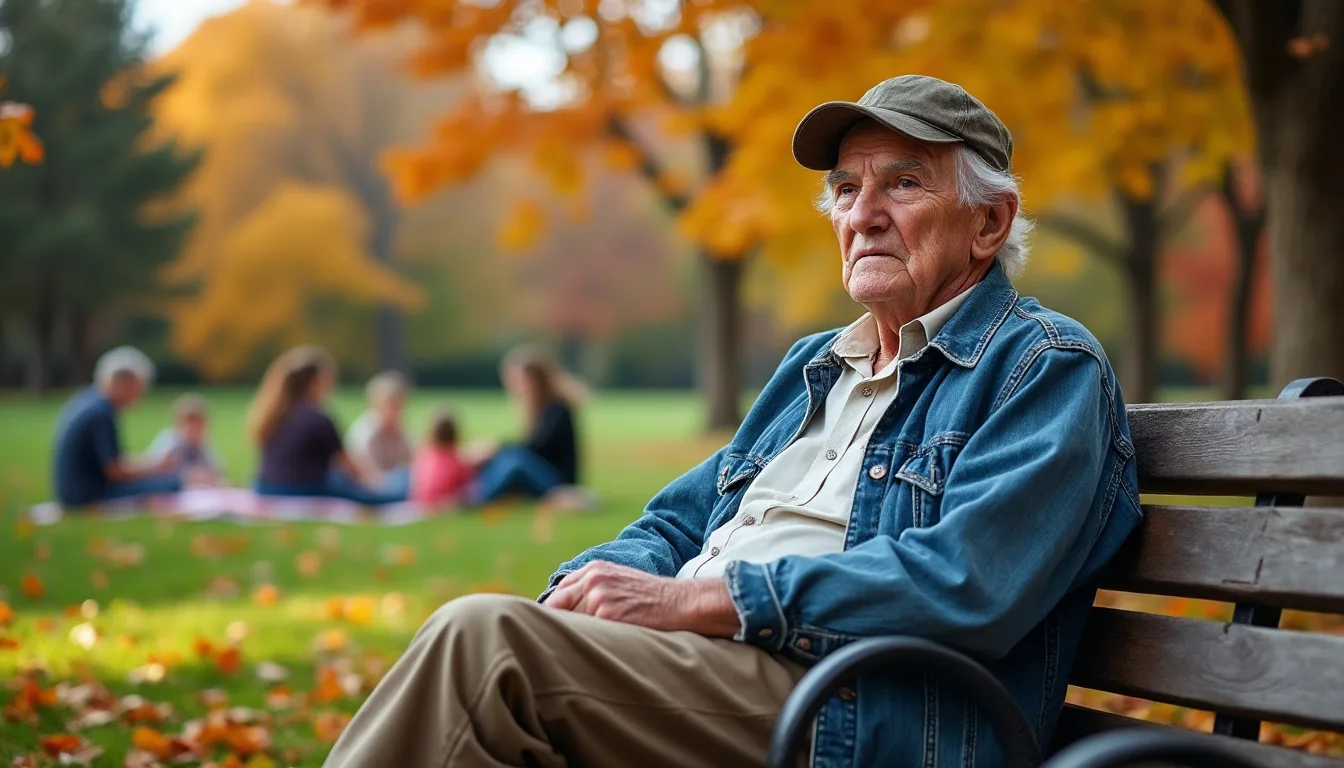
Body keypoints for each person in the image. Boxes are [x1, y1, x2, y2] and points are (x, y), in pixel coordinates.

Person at [324, 76, 1142, 768]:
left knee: (484, 643)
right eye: (846, 190)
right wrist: (587, 592)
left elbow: (966, 583)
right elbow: (678, 522)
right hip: (716, 668)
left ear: (989, 224)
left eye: (903, 184)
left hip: (859, 708)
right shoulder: (818, 365)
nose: (863, 214)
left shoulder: (1042, 365)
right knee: (500, 642)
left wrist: (706, 602)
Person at [249, 346, 401, 507]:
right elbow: (348, 465)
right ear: (315, 382)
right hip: (304, 489)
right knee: (393, 492)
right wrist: (378, 485)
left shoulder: (275, 415)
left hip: (266, 488)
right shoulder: (318, 418)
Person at [51, 346, 180, 509]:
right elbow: (115, 471)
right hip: (86, 495)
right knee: (172, 484)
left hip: (72, 491)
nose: (140, 396)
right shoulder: (101, 413)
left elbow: (110, 462)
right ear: (123, 383)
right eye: (138, 388)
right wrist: (157, 466)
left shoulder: (88, 400)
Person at [471, 346, 585, 505]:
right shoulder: (541, 409)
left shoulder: (558, 410)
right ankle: (472, 490)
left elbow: (537, 446)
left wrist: (497, 447)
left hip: (558, 481)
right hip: (544, 474)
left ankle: (475, 499)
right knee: (507, 458)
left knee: (515, 460)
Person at [345, 371, 413, 496]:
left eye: (400, 405)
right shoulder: (365, 433)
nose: (397, 411)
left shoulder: (401, 433)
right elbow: (366, 476)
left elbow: (410, 465)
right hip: (368, 487)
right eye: (392, 405)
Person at [146, 393, 223, 488]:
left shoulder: (201, 443)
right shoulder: (170, 442)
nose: (194, 429)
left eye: (199, 424)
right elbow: (158, 471)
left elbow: (215, 469)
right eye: (190, 424)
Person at [409, 408, 475, 508]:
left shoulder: (424, 454)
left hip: (419, 500)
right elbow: (469, 483)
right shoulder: (455, 460)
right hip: (439, 504)